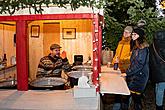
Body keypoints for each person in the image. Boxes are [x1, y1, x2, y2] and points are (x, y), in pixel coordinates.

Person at [121, 28, 149, 110]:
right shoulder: (136, 47)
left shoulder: (142, 49)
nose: (132, 36)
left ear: (139, 36)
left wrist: (127, 73)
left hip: (140, 77)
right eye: (132, 34)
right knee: (132, 97)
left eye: (135, 34)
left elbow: (140, 64)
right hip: (134, 75)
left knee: (135, 98)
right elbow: (133, 63)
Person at [112, 26, 133, 110]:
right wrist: (113, 62)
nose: (125, 33)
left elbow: (131, 57)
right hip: (118, 70)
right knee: (117, 88)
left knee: (125, 90)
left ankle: (125, 107)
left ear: (131, 34)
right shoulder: (120, 42)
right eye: (124, 32)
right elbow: (116, 54)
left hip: (127, 69)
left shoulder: (132, 43)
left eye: (127, 32)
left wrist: (121, 60)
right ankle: (117, 106)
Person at [150, 30, 165, 110]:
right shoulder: (163, 46)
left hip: (154, 71)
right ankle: (159, 107)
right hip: (163, 72)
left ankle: (158, 104)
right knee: (161, 89)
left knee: (157, 87)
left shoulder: (151, 45)